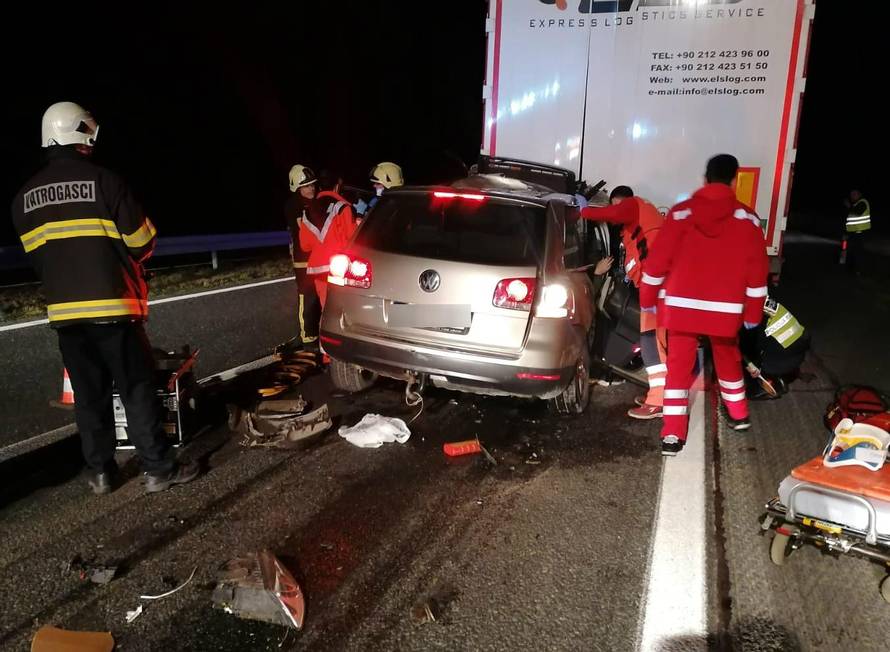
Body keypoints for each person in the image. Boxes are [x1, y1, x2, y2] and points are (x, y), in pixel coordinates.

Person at [11, 101, 200, 494]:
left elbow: (37, 258)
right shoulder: (105, 181)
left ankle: (100, 472)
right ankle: (158, 468)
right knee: (135, 388)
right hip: (114, 307)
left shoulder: (23, 198)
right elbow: (142, 242)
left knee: (88, 396)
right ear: (78, 132)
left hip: (65, 315)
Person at [640, 154, 769, 456]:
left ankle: (672, 434)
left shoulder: (680, 214)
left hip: (681, 308)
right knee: (728, 359)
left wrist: (648, 299)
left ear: (705, 178)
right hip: (724, 311)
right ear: (734, 180)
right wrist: (753, 311)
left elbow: (657, 263)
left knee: (678, 369)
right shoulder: (748, 219)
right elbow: (757, 271)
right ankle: (738, 415)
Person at [581, 186, 666, 419]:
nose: (616, 212)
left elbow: (614, 213)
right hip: (657, 287)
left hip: (659, 288)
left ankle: (658, 401)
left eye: (617, 206)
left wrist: (582, 211)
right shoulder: (637, 222)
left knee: (652, 343)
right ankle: (662, 397)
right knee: (655, 342)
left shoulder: (634, 205)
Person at [299, 170, 357, 308]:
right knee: (345, 308)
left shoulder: (306, 212)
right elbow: (352, 238)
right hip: (341, 268)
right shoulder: (342, 207)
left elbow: (305, 246)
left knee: (327, 308)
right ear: (337, 186)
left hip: (318, 270)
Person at [739, 295, 809, 399]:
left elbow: (754, 347)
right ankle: (780, 374)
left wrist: (751, 365)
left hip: (782, 358)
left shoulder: (750, 316)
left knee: (745, 352)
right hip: (800, 349)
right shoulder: (763, 300)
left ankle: (771, 383)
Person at [284, 164, 321, 348]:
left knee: (320, 295)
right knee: (307, 296)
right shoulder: (294, 205)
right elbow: (305, 229)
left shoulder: (314, 202)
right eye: (306, 186)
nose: (311, 188)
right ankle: (307, 335)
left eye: (312, 184)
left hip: (318, 257)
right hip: (303, 259)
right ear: (297, 188)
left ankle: (318, 331)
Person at [842, 189, 871, 273]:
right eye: (851, 194)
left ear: (859, 195)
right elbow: (849, 221)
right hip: (851, 233)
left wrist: (849, 206)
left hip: (859, 232)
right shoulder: (854, 205)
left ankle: (858, 270)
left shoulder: (863, 202)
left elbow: (858, 212)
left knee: (857, 252)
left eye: (854, 194)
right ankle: (849, 269)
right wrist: (845, 233)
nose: (852, 196)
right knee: (848, 250)